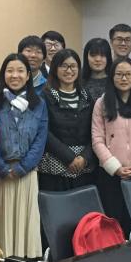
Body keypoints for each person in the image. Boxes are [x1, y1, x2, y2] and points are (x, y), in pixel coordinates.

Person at [0, 54, 48, 259]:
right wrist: (1, 167)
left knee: (26, 223)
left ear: (28, 75)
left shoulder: (38, 103)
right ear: (3, 74)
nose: (15, 75)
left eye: (20, 71)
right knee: (0, 225)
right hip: (0, 174)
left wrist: (23, 167)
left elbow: (40, 139)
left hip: (27, 174)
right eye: (10, 71)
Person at [91, 58, 131, 236]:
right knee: (113, 225)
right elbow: (97, 140)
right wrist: (115, 167)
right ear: (112, 77)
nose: (124, 78)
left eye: (128, 74)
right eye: (119, 74)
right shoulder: (102, 103)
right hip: (110, 175)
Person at [38, 49, 95, 192]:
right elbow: (44, 131)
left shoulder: (86, 95)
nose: (69, 70)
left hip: (83, 168)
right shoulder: (45, 96)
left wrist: (84, 157)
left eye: (73, 66)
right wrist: (69, 158)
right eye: (64, 66)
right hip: (53, 169)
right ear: (55, 69)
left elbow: (96, 130)